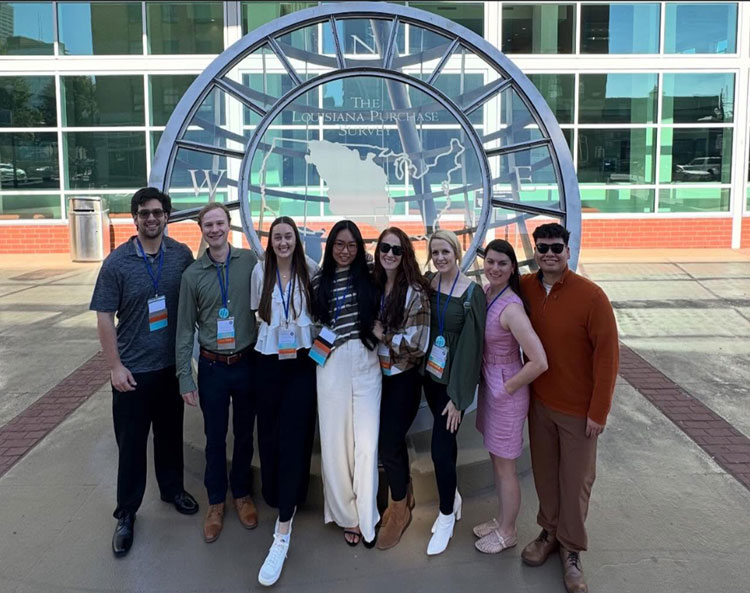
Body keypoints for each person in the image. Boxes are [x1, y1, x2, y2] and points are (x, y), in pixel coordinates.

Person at [90, 187, 198, 558]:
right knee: (131, 447)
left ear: (167, 216)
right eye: (144, 213)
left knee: (170, 437)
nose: (151, 218)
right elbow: (104, 316)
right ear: (134, 218)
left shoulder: (181, 255)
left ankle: (172, 490)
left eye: (157, 212)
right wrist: (115, 367)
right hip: (132, 374)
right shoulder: (117, 263)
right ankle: (126, 513)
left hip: (169, 369)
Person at [519, 223, 618, 593]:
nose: (548, 253)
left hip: (578, 410)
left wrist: (599, 410)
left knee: (575, 481)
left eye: (556, 247)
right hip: (540, 404)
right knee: (545, 474)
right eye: (542, 247)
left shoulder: (592, 297)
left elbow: (608, 358)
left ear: (568, 249)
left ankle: (572, 550)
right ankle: (549, 532)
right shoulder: (526, 287)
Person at [175, 202, 259, 544]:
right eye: (208, 225)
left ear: (229, 225)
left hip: (247, 363)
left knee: (243, 435)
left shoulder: (250, 263)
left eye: (220, 223)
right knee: (214, 438)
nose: (214, 229)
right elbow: (184, 330)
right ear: (202, 230)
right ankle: (215, 501)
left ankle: (241, 493)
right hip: (212, 367)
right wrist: (185, 376)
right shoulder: (192, 275)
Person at [250, 217, 318, 586]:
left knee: (296, 435)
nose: (282, 242)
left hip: (303, 363)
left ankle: (285, 523)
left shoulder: (312, 272)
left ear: (296, 239)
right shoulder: (261, 273)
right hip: (268, 359)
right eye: (276, 237)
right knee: (271, 433)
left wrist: (319, 361)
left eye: (288, 236)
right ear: (270, 241)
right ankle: (278, 494)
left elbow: (321, 318)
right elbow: (253, 313)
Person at [473, 239, 547, 554]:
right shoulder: (490, 293)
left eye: (502, 263)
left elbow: (539, 361)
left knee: (506, 467)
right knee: (496, 458)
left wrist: (508, 388)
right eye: (490, 262)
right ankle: (501, 518)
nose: (495, 268)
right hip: (491, 387)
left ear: (512, 267)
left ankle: (509, 531)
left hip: (506, 391)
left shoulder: (512, 307)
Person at [311, 219, 380, 548]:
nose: (345, 250)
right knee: (336, 443)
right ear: (330, 246)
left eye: (352, 245)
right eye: (339, 244)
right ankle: (346, 516)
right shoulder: (316, 281)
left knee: (366, 445)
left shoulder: (370, 277)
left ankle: (367, 516)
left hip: (366, 359)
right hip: (330, 360)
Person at [421, 229, 486, 556]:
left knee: (439, 450)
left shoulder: (472, 293)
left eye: (445, 251)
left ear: (457, 252)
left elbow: (473, 349)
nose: (440, 258)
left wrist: (460, 399)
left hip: (453, 386)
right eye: (435, 253)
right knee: (445, 447)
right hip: (430, 379)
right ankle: (454, 497)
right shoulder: (429, 283)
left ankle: (446, 515)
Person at [371, 227, 431, 551]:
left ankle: (399, 509)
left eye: (396, 250)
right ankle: (401, 495)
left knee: (389, 441)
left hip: (402, 379)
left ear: (405, 253)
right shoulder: (375, 282)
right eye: (384, 248)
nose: (390, 254)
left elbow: (417, 345)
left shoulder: (415, 292)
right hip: (375, 376)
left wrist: (383, 335)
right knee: (383, 441)